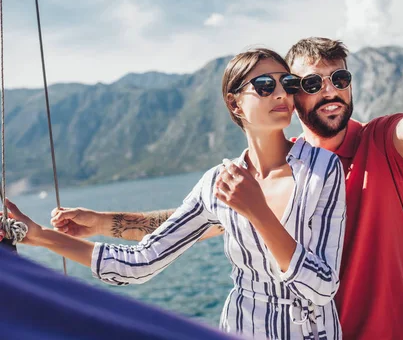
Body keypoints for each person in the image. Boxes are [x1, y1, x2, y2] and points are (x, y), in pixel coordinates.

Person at [49, 37, 403, 339]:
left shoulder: (381, 145)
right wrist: (103, 221)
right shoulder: (274, 171)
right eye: (311, 83)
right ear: (294, 95)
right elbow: (203, 220)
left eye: (341, 78)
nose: (330, 90)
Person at [3, 48, 348, 340]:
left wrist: (257, 211)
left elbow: (322, 287)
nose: (281, 94)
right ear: (235, 103)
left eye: (287, 84)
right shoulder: (219, 183)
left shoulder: (322, 170)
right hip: (245, 328)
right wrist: (39, 235)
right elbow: (139, 264)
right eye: (263, 85)